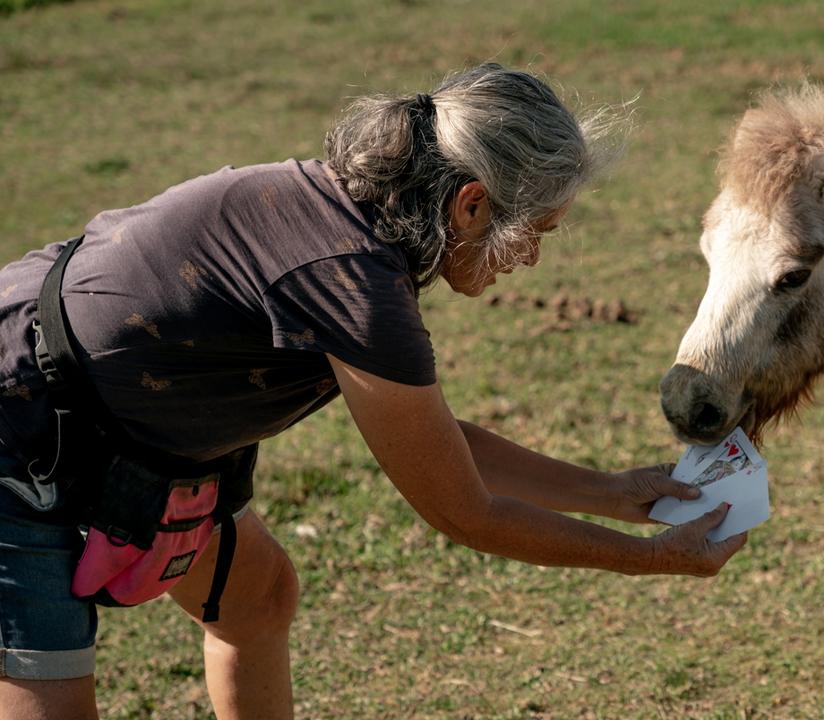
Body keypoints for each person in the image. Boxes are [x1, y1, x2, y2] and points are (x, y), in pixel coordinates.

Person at [0, 63, 747, 720]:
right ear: (472, 205)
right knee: (51, 698)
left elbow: (438, 445)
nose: (533, 259)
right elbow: (466, 511)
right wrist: (651, 559)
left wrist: (617, 493)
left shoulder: (356, 228)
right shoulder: (352, 284)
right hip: (24, 416)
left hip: (113, 414)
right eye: (538, 232)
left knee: (257, 598)